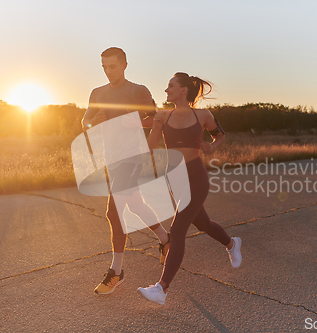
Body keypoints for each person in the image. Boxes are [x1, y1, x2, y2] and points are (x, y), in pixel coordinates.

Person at [137, 72, 242, 305]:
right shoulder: (163, 116)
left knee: (178, 229)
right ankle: (232, 243)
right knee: (203, 224)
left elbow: (220, 135)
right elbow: (151, 146)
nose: (166, 90)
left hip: (196, 175)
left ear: (183, 90)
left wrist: (213, 146)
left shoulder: (204, 115)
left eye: (170, 86)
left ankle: (161, 288)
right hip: (175, 178)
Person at [81, 47, 170, 295]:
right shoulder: (97, 93)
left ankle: (116, 271)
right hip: (113, 160)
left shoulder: (138, 91)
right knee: (135, 205)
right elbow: (85, 121)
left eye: (113, 66)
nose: (108, 71)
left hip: (133, 158)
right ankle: (166, 239)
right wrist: (93, 122)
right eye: (104, 67)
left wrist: (139, 122)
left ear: (124, 65)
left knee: (113, 212)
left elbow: (157, 120)